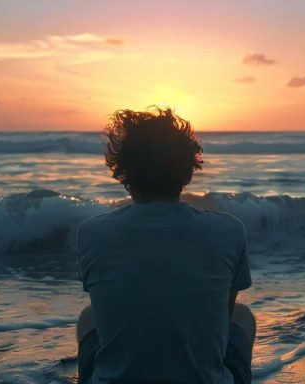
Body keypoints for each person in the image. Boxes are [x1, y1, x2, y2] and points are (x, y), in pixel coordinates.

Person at [75, 107, 255, 384]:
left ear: (123, 173)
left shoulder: (92, 233)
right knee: (242, 316)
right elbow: (223, 317)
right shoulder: (229, 230)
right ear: (187, 173)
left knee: (88, 318)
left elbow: (116, 314)